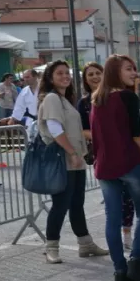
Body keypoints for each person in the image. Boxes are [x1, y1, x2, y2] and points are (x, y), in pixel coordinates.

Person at [92, 55, 140, 281]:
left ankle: (120, 271)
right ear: (115, 71)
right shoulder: (127, 97)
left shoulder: (97, 98)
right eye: (129, 69)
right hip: (129, 162)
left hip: (105, 166)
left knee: (112, 218)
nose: (134, 72)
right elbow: (137, 135)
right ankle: (136, 262)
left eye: (134, 68)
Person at [36, 60, 108, 264]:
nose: (65, 76)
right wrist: (72, 153)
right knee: (60, 204)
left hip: (73, 160)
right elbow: (55, 129)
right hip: (63, 160)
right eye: (59, 73)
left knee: (76, 203)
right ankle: (51, 246)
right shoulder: (51, 98)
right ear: (50, 78)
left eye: (67, 73)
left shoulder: (64, 99)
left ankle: (85, 244)